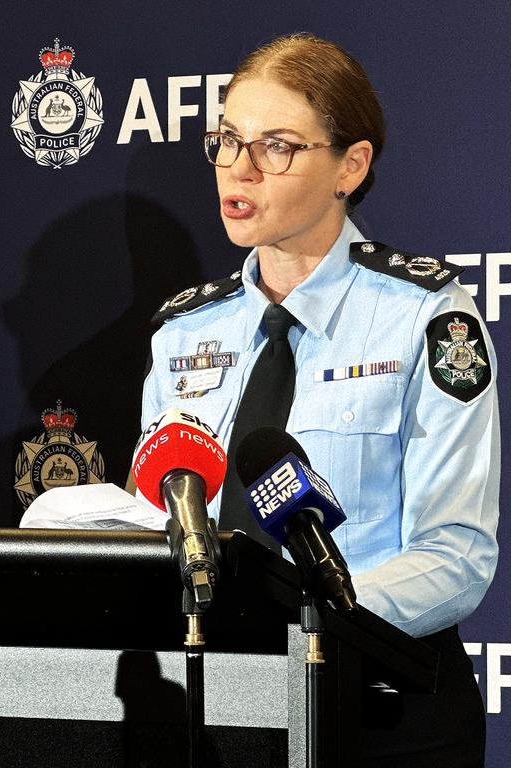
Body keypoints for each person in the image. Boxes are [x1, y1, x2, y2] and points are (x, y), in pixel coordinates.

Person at [142, 34, 497, 766]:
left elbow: (455, 554)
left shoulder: (425, 317)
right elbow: (163, 523)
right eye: (226, 140)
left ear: (350, 166)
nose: (237, 169)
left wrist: (312, 622)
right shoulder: (183, 333)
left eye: (276, 147)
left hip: (383, 710)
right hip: (218, 705)